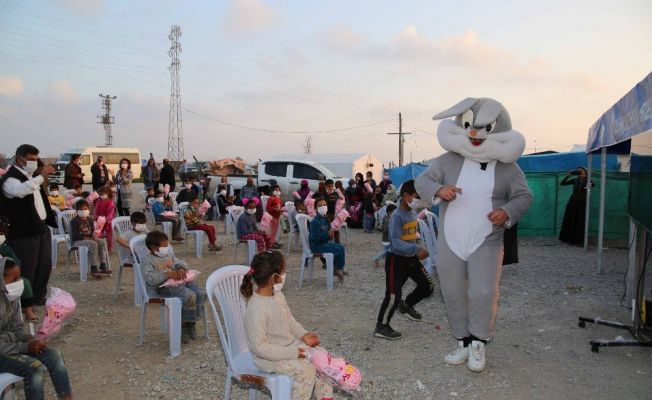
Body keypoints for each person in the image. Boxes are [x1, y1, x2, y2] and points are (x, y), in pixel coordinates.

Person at [241, 251, 334, 400]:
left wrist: (304, 335)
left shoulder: (277, 295)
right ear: (273, 278)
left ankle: (325, 397)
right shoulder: (256, 309)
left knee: (323, 359)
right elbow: (259, 347)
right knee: (306, 370)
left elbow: (289, 319)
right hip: (271, 360)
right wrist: (295, 352)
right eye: (283, 272)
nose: (285, 275)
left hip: (289, 347)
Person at [0, 258, 73, 400]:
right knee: (34, 367)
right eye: (14, 279)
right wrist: (26, 347)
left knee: (54, 355)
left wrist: (31, 339)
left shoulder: (11, 296)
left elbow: (17, 328)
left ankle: (67, 397)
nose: (19, 282)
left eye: (19, 277)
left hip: (10, 346)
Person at [375, 180, 433, 340]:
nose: (419, 199)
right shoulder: (397, 216)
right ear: (406, 196)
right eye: (417, 196)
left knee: (427, 286)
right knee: (393, 295)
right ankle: (381, 326)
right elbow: (395, 242)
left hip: (411, 259)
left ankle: (406, 305)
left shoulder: (412, 212)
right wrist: (416, 249)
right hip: (396, 261)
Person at [0, 144, 57, 309]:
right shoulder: (10, 178)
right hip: (23, 231)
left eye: (36, 159)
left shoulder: (31, 176)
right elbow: (20, 191)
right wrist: (41, 176)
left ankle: (38, 297)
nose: (34, 163)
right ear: (19, 158)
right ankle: (25, 304)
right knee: (27, 268)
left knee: (44, 265)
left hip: (40, 227)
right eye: (31, 159)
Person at [141, 231, 205, 343]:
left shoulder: (167, 255)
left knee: (200, 293)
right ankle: (184, 325)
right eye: (164, 246)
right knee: (190, 296)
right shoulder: (148, 260)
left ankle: (192, 322)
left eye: (167, 245)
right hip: (160, 288)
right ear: (154, 248)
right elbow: (150, 279)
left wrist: (181, 268)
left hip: (175, 283)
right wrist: (167, 274)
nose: (167, 248)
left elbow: (179, 262)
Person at [309, 198, 346, 283]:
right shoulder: (315, 222)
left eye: (324, 205)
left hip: (324, 244)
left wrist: (331, 234)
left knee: (341, 247)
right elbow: (315, 238)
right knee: (337, 249)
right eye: (320, 205)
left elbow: (329, 235)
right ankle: (337, 269)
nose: (323, 207)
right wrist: (327, 234)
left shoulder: (326, 219)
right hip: (316, 246)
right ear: (316, 209)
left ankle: (338, 268)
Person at [70, 200, 110, 277]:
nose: (83, 211)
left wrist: (95, 235)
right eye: (81, 209)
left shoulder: (90, 220)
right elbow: (75, 236)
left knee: (101, 242)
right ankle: (94, 267)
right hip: (78, 241)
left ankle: (102, 264)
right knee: (93, 244)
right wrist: (87, 238)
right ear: (77, 210)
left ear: (88, 209)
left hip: (89, 239)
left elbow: (92, 233)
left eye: (85, 209)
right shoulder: (74, 221)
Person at [559, 167, 591, 246]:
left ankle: (578, 240)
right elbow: (562, 183)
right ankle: (568, 238)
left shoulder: (588, 180)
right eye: (578, 171)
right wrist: (568, 175)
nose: (579, 172)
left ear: (585, 171)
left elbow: (592, 185)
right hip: (573, 201)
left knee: (580, 220)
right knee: (571, 218)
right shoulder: (575, 180)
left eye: (581, 171)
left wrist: (586, 177)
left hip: (582, 202)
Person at [93, 186, 116, 252]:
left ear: (108, 193)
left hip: (108, 221)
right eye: (100, 194)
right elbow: (96, 210)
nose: (101, 195)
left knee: (109, 234)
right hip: (99, 220)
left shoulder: (110, 202)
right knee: (98, 233)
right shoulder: (98, 201)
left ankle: (110, 246)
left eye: (103, 194)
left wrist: (106, 219)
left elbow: (111, 213)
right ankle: (99, 246)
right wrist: (95, 216)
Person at [266, 185, 283, 249]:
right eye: (276, 190)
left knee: (275, 230)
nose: (277, 191)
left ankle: (273, 242)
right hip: (272, 217)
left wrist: (281, 210)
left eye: (278, 190)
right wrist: (274, 209)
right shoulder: (271, 198)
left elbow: (279, 206)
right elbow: (267, 208)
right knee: (272, 231)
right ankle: (270, 244)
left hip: (277, 216)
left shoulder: (278, 198)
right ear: (273, 191)